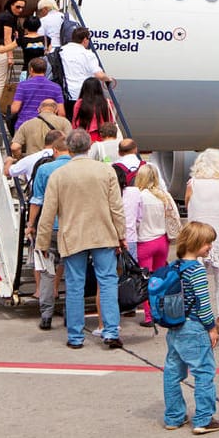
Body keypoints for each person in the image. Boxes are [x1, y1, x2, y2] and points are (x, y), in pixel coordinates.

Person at [35, 131, 126, 350]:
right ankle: (111, 331)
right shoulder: (106, 171)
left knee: (75, 286)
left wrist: (42, 242)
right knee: (107, 282)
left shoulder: (59, 175)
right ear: (89, 147)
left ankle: (76, 336)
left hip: (72, 235)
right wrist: (121, 235)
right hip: (103, 233)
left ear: (69, 147)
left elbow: (48, 212)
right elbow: (116, 207)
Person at [162, 221, 219, 434]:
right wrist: (212, 327)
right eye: (207, 242)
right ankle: (204, 419)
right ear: (196, 242)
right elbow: (203, 303)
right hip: (194, 327)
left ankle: (173, 416)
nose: (209, 247)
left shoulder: (174, 266)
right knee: (204, 372)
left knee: (172, 371)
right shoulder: (196, 270)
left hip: (175, 328)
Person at [185, 148, 219, 337]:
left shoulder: (192, 183)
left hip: (198, 233)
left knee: (196, 277)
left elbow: (187, 203)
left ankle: (200, 315)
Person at [23, 130, 71, 331]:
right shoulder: (78, 168)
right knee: (73, 273)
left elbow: (37, 200)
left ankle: (46, 315)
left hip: (49, 227)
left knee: (46, 272)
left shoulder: (45, 169)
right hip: (72, 229)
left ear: (54, 149)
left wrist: (31, 224)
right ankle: (71, 314)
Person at [134, 163, 181, 327]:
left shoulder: (139, 196)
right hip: (162, 240)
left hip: (145, 242)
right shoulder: (164, 195)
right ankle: (162, 311)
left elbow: (135, 221)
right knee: (160, 278)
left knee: (145, 279)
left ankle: (149, 315)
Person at [58, 28, 113, 116]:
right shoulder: (88, 54)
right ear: (85, 40)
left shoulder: (61, 50)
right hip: (83, 95)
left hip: (65, 93)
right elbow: (99, 75)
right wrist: (108, 78)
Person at [10, 57, 63, 130]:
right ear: (45, 70)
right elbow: (61, 113)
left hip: (24, 125)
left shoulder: (23, 85)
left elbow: (15, 109)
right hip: (48, 126)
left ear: (31, 69)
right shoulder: (56, 87)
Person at [71, 76, 116, 142]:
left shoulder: (80, 103)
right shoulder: (108, 102)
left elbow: (75, 122)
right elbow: (111, 120)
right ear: (99, 88)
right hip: (104, 136)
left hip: (84, 137)